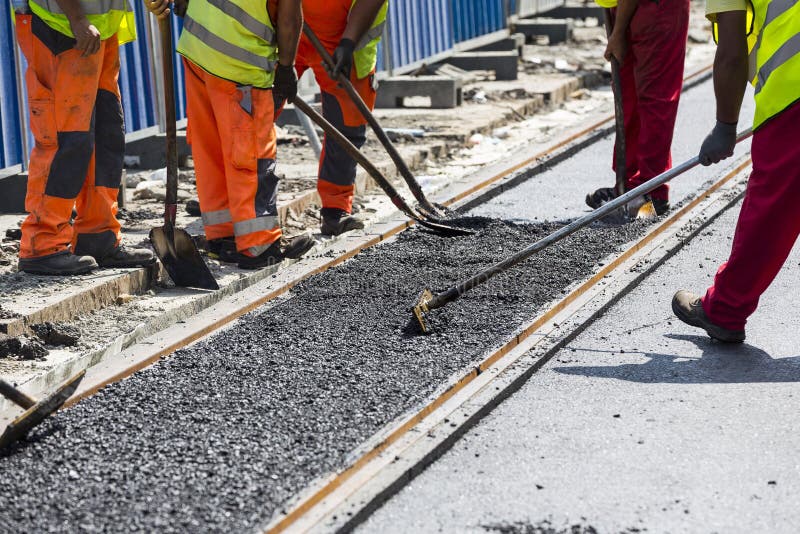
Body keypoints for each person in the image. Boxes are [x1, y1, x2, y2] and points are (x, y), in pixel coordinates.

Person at [672, 1, 800, 342]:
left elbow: (731, 51)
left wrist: (725, 127)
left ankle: (725, 309)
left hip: (793, 92)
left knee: (772, 209)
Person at [156, 0, 314, 269]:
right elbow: (289, 19)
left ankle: (223, 237)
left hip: (199, 49)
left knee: (212, 152)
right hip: (241, 63)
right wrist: (286, 68)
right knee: (250, 158)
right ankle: (259, 244)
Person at [14, 0, 155, 275]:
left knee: (105, 136)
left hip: (97, 29)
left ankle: (98, 235)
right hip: (62, 27)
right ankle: (42, 244)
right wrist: (77, 19)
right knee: (64, 140)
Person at [585, 0, 690, 216]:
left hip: (658, 7)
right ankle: (628, 186)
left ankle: (651, 189)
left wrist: (619, 30)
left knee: (655, 95)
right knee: (627, 94)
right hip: (627, 7)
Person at [296, 0, 388, 236]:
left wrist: (348, 43)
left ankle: (335, 211)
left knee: (347, 125)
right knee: (250, 117)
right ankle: (233, 208)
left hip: (343, 38)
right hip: (285, 27)